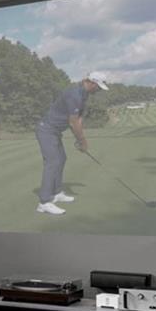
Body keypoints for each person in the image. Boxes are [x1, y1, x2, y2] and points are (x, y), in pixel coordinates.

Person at [36, 72, 108, 215]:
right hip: (46, 130)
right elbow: (73, 121)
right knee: (53, 162)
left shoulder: (84, 94)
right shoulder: (74, 94)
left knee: (61, 159)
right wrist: (83, 141)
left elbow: (78, 119)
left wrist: (79, 139)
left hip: (55, 132)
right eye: (98, 87)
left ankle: (56, 193)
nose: (99, 90)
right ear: (92, 83)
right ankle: (44, 202)